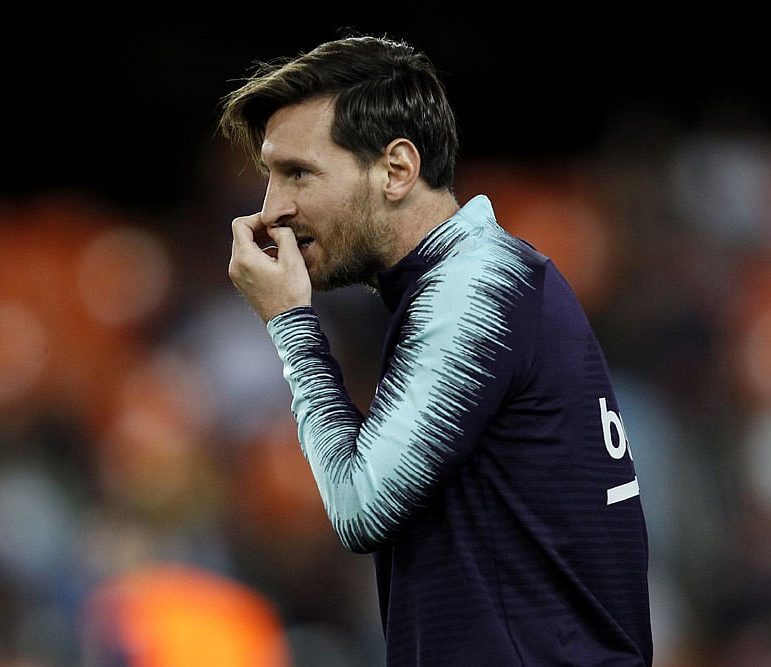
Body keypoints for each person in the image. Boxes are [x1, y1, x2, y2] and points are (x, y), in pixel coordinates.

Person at [220, 34, 653, 666]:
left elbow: (361, 505)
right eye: (270, 176)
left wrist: (291, 324)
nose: (272, 210)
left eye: (298, 174)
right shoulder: (470, 282)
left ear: (397, 170)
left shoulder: (478, 287)